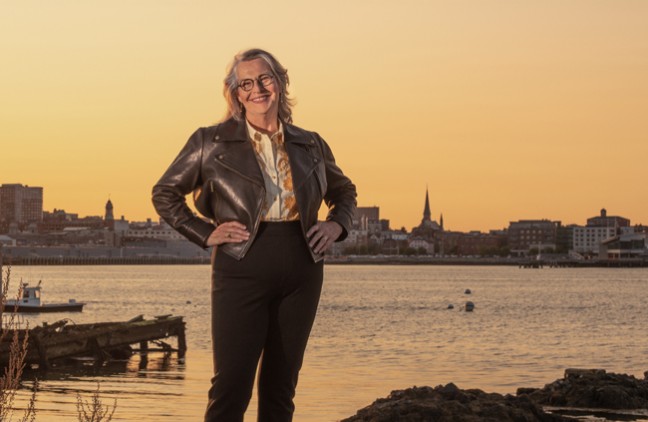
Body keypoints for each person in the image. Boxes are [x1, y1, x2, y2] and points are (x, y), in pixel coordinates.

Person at [152, 48, 357, 421]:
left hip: (303, 268)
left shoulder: (310, 143)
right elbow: (164, 193)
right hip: (240, 266)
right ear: (236, 94)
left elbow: (344, 191)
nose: (257, 88)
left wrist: (336, 225)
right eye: (246, 83)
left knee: (281, 389)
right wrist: (205, 234)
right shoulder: (209, 142)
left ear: (280, 82)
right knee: (231, 387)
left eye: (265, 78)